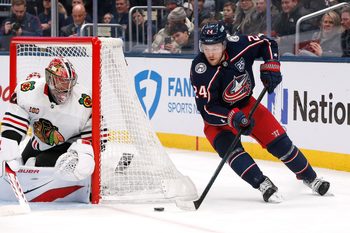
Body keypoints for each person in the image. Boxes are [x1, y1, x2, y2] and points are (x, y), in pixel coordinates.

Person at [190, 22, 330, 203]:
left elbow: (267, 43)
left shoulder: (239, 45)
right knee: (232, 151)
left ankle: (310, 177)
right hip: (218, 119)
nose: (210, 53)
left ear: (225, 43)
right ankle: (262, 183)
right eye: (206, 47)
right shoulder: (199, 69)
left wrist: (271, 64)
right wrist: (232, 117)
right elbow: (207, 110)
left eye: (215, 47)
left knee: (281, 144)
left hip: (246, 104)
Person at [0, 57, 94, 182]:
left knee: (38, 164)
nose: (66, 86)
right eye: (60, 81)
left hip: (70, 147)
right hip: (39, 143)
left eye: (69, 81)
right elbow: (13, 127)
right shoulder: (28, 91)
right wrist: (8, 147)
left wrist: (84, 155)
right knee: (22, 165)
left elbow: (97, 141)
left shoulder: (86, 101)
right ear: (49, 78)